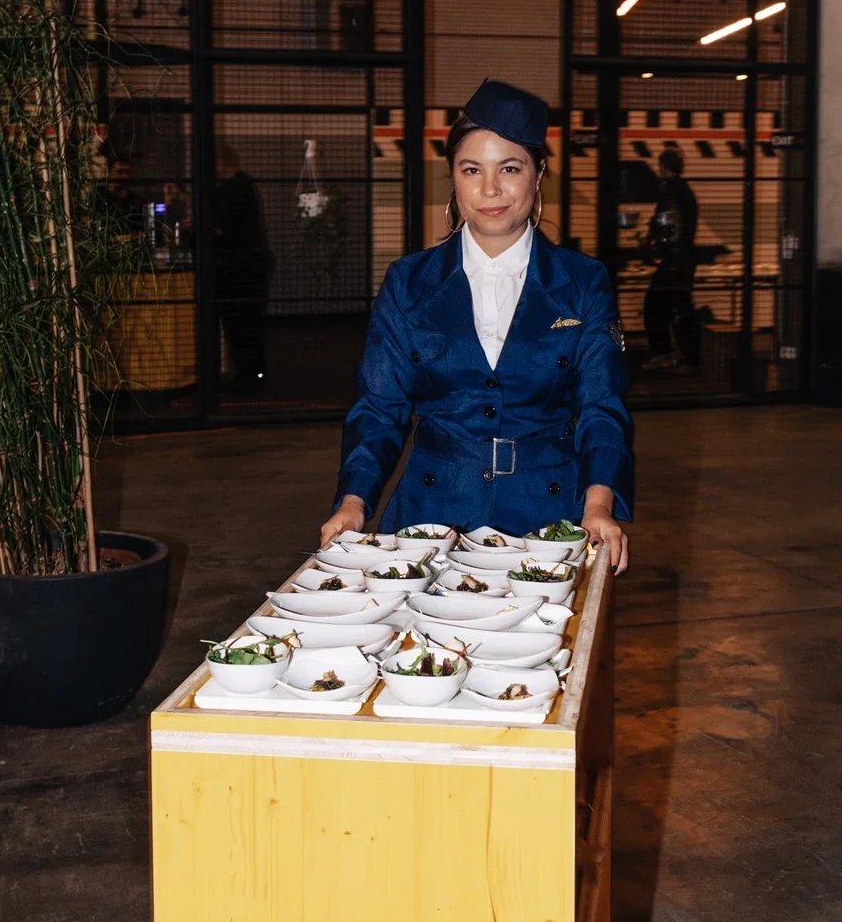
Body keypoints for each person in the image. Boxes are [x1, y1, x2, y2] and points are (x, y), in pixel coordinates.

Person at [321, 79, 632, 573]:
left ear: (538, 174)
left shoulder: (583, 283)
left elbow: (601, 405)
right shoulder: (409, 282)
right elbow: (380, 408)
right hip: (431, 517)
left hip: (550, 518)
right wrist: (354, 499)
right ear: (454, 179)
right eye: (472, 170)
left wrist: (599, 503)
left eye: (510, 168)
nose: (490, 189)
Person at [214, 142, 272, 394]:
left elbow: (226, 229)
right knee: (246, 321)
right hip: (248, 263)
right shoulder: (243, 187)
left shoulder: (233, 189)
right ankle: (252, 373)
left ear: (220, 163)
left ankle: (251, 375)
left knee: (241, 322)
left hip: (240, 267)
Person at [641, 147, 699, 372]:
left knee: (656, 305)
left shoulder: (671, 190)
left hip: (675, 259)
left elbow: (668, 222)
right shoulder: (683, 190)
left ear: (664, 167)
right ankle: (686, 356)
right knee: (679, 305)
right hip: (682, 258)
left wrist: (656, 239)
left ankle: (667, 354)